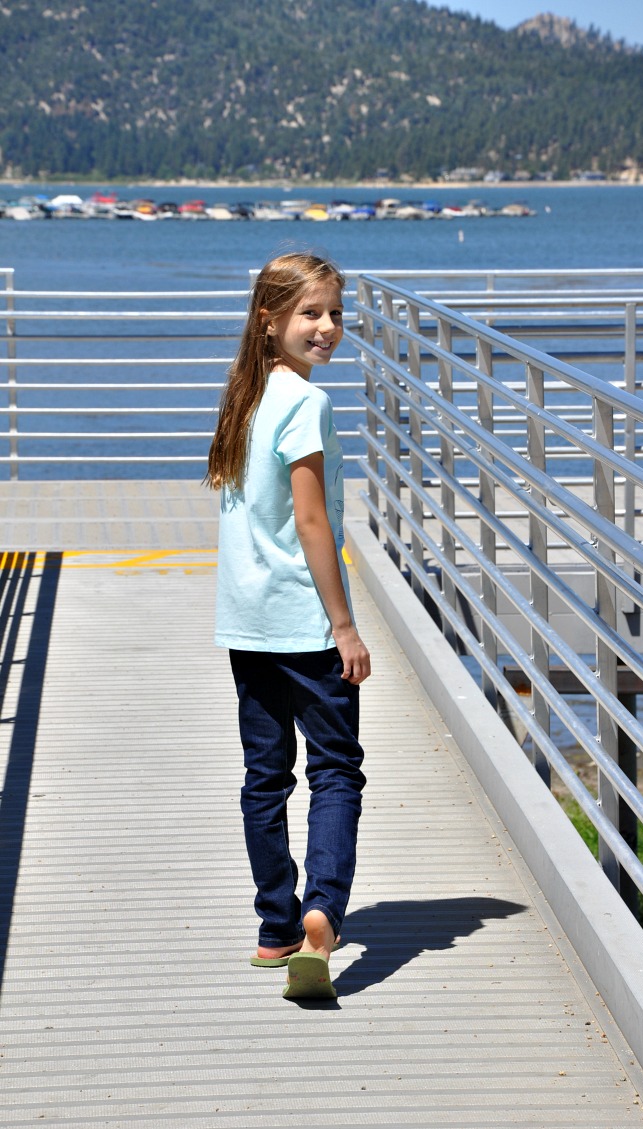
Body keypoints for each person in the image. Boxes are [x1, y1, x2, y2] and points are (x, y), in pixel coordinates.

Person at [206, 251, 370, 1000]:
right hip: (305, 622)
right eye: (311, 313)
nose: (328, 327)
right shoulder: (308, 405)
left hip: (248, 625)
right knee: (334, 770)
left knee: (264, 776)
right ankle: (321, 915)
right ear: (271, 320)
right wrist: (345, 625)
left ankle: (275, 927)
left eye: (335, 313)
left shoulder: (248, 396)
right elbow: (310, 521)